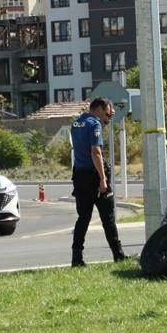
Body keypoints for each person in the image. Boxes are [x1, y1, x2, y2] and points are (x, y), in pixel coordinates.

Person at [70, 98, 127, 266]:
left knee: (83, 218)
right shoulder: (94, 124)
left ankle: (77, 258)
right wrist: (103, 179)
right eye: (107, 112)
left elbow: (86, 137)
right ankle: (118, 255)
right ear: (99, 109)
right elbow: (95, 152)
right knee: (108, 218)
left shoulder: (76, 123)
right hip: (94, 176)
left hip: (79, 176)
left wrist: (105, 120)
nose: (109, 115)